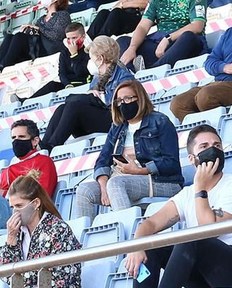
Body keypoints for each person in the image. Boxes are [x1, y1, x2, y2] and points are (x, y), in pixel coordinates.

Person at [107, 128, 232, 288]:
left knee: (191, 239)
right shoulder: (187, 193)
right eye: (204, 147)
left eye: (217, 146)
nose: (213, 150)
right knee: (152, 244)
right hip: (207, 276)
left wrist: (201, 189)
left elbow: (209, 230)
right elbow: (150, 223)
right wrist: (137, 247)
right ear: (192, 158)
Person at [74, 79, 183, 220]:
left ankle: (129, 237)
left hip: (162, 181)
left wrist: (140, 171)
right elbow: (102, 160)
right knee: (84, 190)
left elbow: (171, 163)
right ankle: (82, 242)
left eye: (127, 98)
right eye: (119, 101)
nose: (123, 104)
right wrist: (103, 186)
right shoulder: (118, 126)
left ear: (140, 98)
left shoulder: (160, 122)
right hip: (122, 178)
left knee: (115, 183)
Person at [42, 35, 136, 148]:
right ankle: (44, 147)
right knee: (62, 108)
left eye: (92, 59)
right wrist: (92, 97)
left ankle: (52, 146)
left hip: (116, 119)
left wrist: (97, 99)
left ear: (101, 59)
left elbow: (123, 105)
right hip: (97, 118)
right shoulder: (97, 77)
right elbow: (89, 99)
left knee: (74, 106)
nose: (91, 62)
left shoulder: (124, 76)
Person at [121, 0, 208, 70]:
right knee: (123, 41)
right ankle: (131, 72)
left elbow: (197, 26)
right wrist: (132, 48)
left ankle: (154, 70)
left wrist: (168, 39)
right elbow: (143, 26)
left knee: (188, 36)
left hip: (184, 43)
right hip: (160, 43)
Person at [0, 0, 72, 68]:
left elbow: (56, 36)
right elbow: (36, 34)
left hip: (50, 48)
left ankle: (3, 65)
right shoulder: (41, 19)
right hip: (37, 48)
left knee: (19, 37)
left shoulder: (63, 15)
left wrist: (38, 28)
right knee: (9, 37)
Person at [30, 22, 93, 99]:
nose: (71, 41)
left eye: (74, 38)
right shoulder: (64, 53)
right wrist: (67, 84)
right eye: (68, 38)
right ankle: (25, 101)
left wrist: (74, 55)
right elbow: (62, 73)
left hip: (83, 84)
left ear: (83, 37)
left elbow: (80, 73)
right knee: (51, 85)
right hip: (67, 85)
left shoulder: (89, 52)